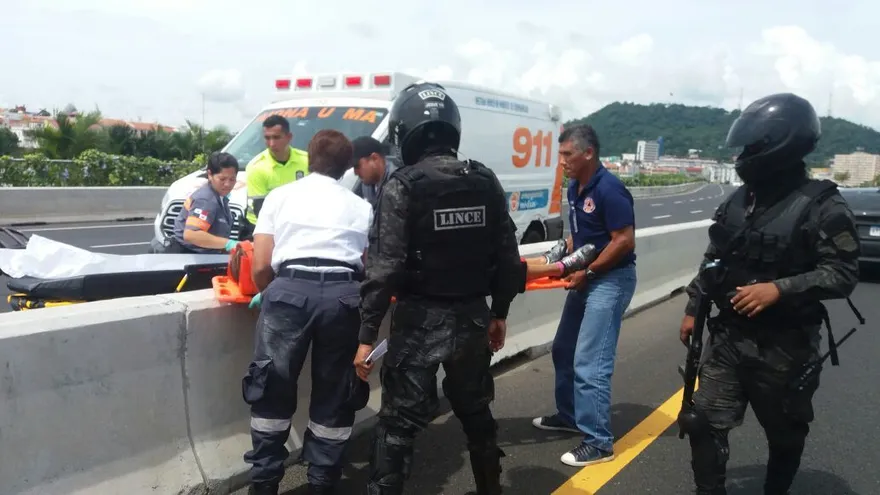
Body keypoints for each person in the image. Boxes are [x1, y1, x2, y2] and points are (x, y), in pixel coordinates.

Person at [678, 93, 861, 495]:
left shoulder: (822, 205)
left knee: (786, 434)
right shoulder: (739, 201)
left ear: (781, 146)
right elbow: (714, 259)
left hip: (785, 347)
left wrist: (779, 289)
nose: (744, 156)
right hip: (728, 336)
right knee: (703, 422)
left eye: (753, 148)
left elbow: (843, 272)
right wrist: (694, 307)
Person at [351, 81, 525, 495]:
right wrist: (498, 313)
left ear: (403, 131)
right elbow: (509, 260)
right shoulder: (485, 181)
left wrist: (366, 336)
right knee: (476, 413)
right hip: (472, 319)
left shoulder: (404, 185)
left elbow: (383, 269)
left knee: (397, 429)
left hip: (418, 324)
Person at [241, 129, 373, 495]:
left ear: (309, 158)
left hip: (289, 293)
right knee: (335, 391)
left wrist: (275, 294)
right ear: (347, 165)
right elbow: (365, 264)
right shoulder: (361, 206)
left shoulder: (280, 196)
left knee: (272, 386)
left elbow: (261, 266)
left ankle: (265, 482)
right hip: (344, 297)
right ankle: (322, 482)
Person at [530, 124, 638, 468]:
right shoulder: (576, 187)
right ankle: (570, 415)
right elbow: (580, 236)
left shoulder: (610, 189)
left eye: (566, 155)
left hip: (610, 279)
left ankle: (599, 441)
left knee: (591, 361)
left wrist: (588, 272)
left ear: (587, 153)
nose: (561, 162)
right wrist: (560, 261)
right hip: (586, 276)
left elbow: (623, 240)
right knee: (564, 349)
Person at [241, 114, 310, 238]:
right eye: (267, 138)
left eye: (276, 137)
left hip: (300, 226)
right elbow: (260, 210)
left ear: (289, 137)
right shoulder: (256, 167)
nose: (271, 143)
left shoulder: (308, 161)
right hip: (263, 227)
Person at [169, 151, 241, 254]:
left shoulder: (220, 197)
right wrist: (230, 244)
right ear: (210, 174)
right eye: (222, 179)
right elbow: (191, 234)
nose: (227, 184)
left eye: (232, 179)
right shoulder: (206, 199)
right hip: (190, 257)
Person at [349, 135, 400, 209]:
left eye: (357, 166)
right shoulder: (368, 182)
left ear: (374, 158)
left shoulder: (397, 184)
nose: (355, 173)